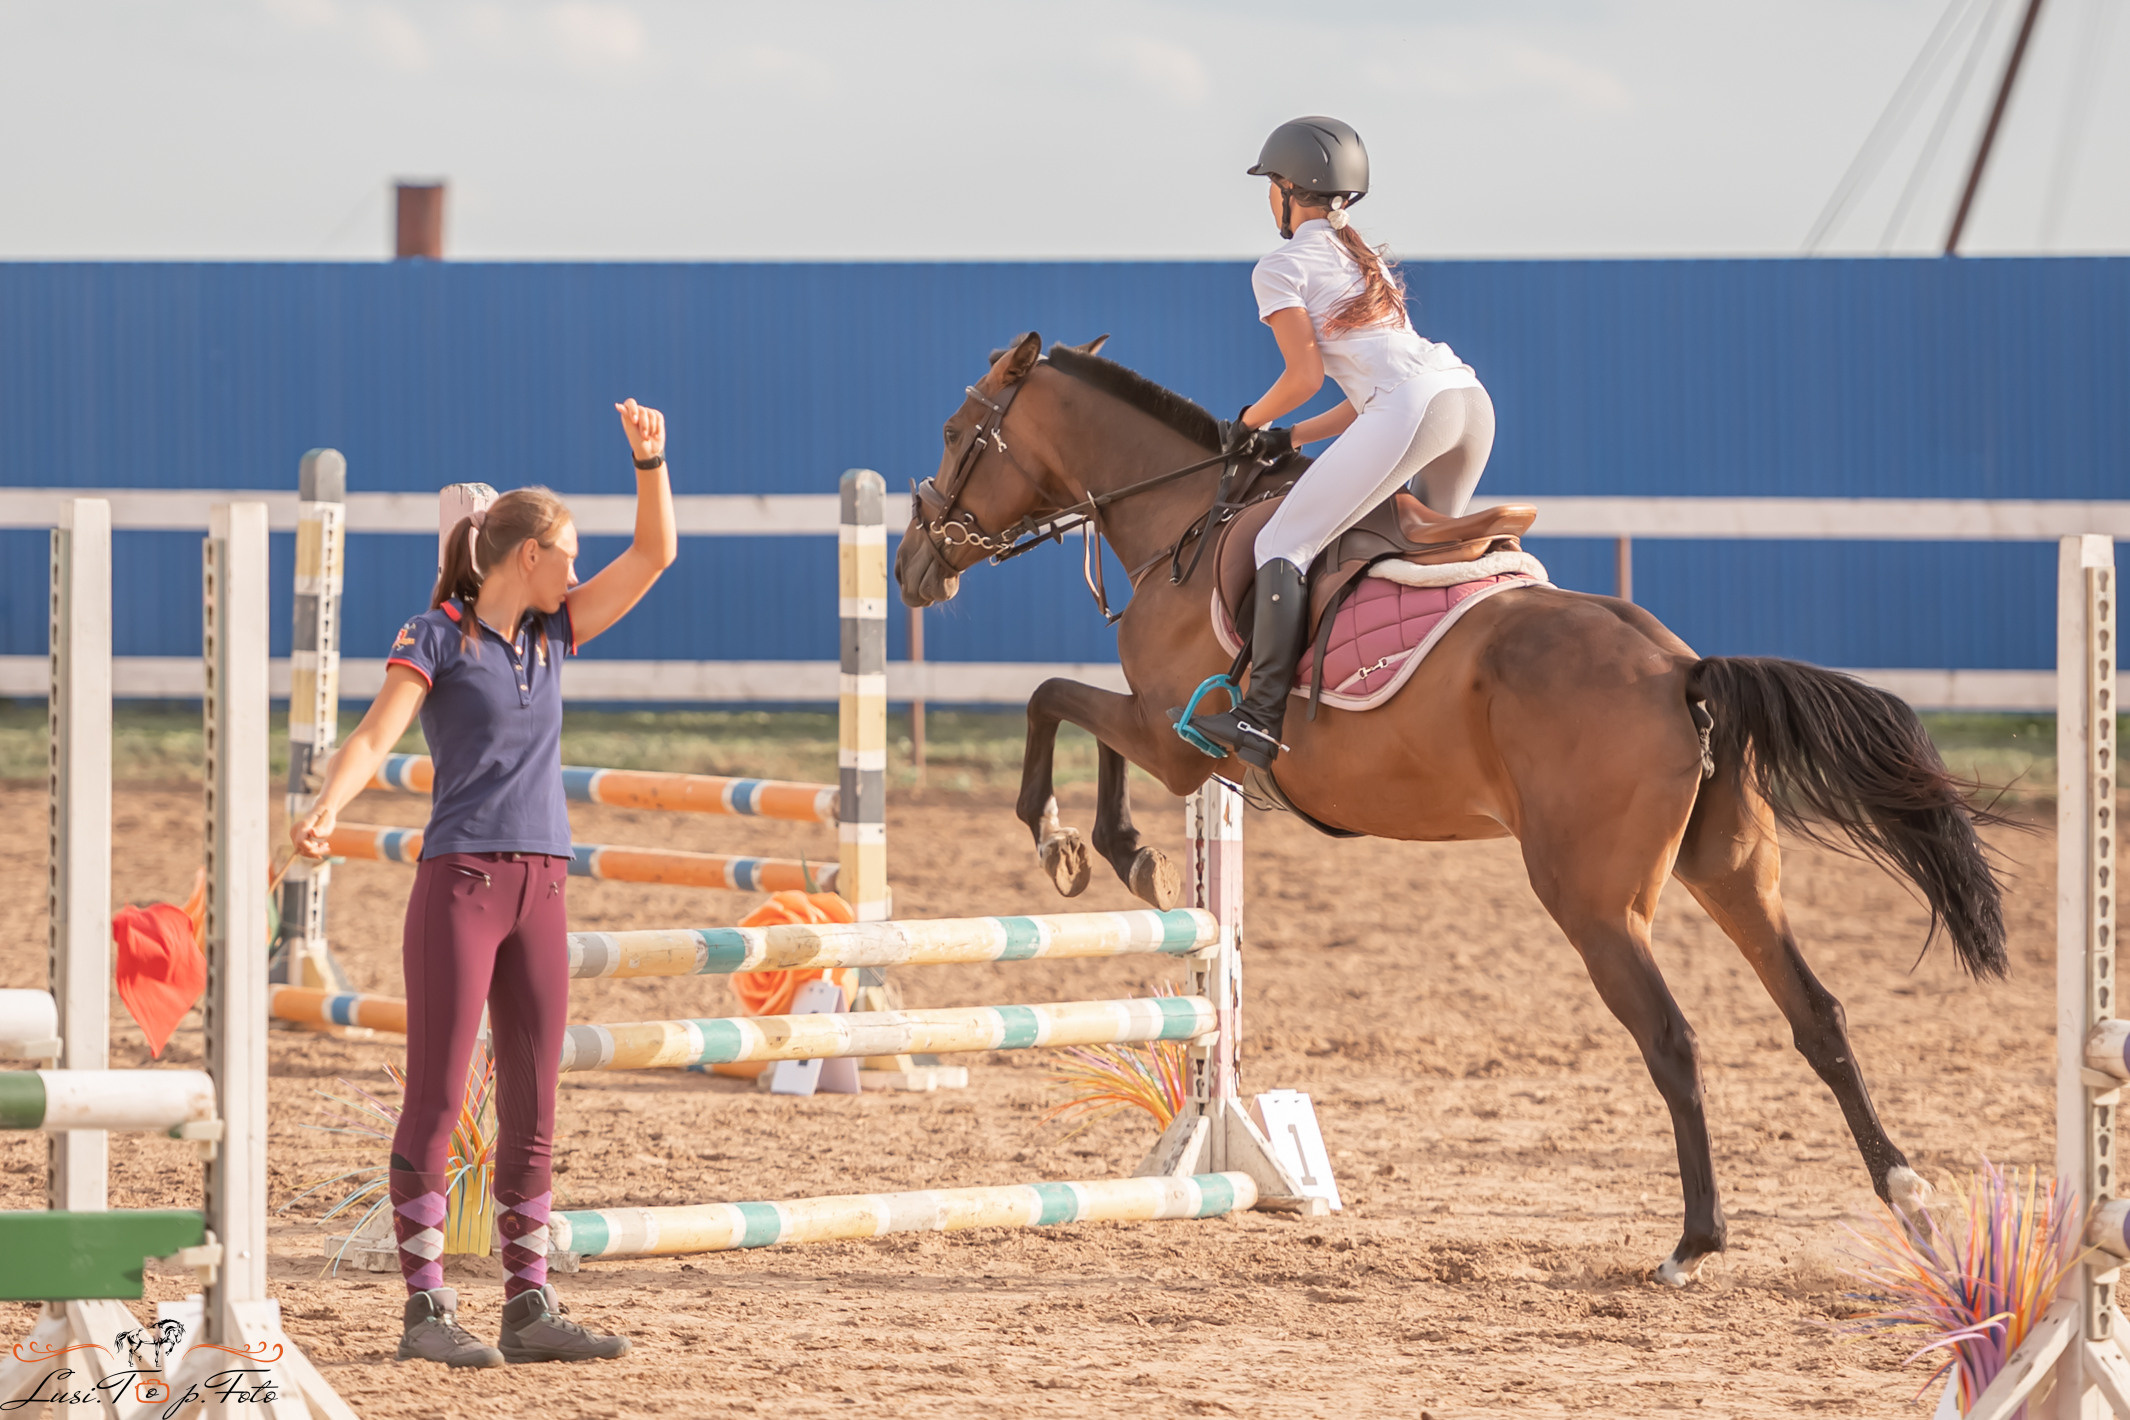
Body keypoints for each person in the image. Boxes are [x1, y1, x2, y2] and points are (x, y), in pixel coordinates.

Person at [291, 399, 678, 1367]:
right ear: (527, 555)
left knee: (534, 1108)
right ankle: (425, 1309)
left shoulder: (556, 634)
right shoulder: (437, 636)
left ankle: (527, 1304)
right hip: (461, 883)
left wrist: (651, 463)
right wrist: (329, 804)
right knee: (436, 1096)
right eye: (568, 555)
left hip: (544, 886)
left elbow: (655, 555)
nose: (578, 573)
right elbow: (375, 735)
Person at [1185, 116, 1497, 770]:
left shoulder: (1280, 266)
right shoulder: (1364, 258)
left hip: (1414, 408)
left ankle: (1259, 719)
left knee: (1281, 543)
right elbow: (1369, 397)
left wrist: (1249, 422)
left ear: (1286, 190)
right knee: (1424, 552)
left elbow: (1304, 378)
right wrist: (1293, 435)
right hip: (1466, 398)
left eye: (1270, 185)